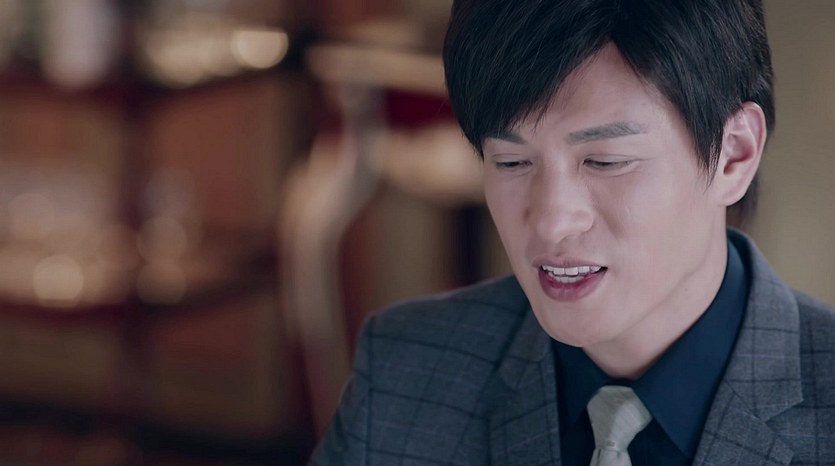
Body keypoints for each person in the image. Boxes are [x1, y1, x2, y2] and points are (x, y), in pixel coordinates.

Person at [309, 0, 835, 464]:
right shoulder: (405, 374)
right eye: (512, 161)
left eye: (605, 161)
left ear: (734, 155)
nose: (551, 221)